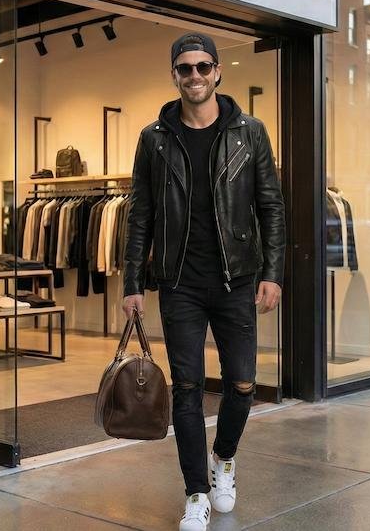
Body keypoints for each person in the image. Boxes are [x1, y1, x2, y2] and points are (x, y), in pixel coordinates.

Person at [123, 32, 285, 531]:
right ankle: (196, 490)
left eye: (203, 67)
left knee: (241, 384)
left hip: (237, 280)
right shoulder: (154, 139)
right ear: (174, 75)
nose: (194, 75)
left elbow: (271, 207)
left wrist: (272, 273)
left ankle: (225, 460)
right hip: (179, 284)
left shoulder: (249, 132)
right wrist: (132, 283)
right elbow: (140, 215)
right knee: (188, 389)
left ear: (217, 72)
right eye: (185, 68)